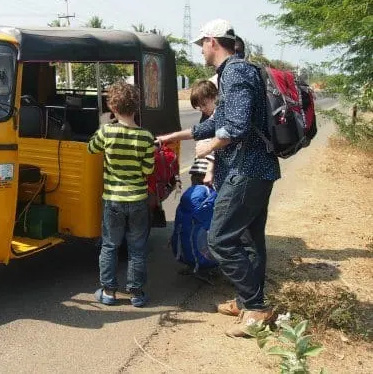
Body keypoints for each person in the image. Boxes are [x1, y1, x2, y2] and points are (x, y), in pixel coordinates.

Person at [157, 18, 281, 337]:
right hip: (255, 170)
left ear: (213, 41)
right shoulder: (233, 73)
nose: (200, 50)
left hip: (246, 171)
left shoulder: (236, 72)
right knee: (249, 239)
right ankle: (247, 299)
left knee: (220, 238)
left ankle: (256, 308)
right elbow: (217, 121)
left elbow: (235, 126)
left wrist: (207, 148)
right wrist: (179, 134)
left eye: (202, 44)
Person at [88, 81, 155, 308]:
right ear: (136, 107)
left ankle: (108, 292)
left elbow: (91, 148)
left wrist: (101, 126)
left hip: (113, 199)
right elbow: (148, 170)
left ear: (113, 108)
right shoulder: (146, 136)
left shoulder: (107, 132)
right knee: (137, 248)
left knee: (110, 245)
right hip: (137, 199)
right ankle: (136, 293)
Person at [188, 80, 217, 186]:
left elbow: (216, 146)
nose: (201, 109)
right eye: (199, 106)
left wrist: (210, 171)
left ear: (214, 97)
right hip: (199, 170)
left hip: (209, 173)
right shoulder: (206, 117)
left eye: (204, 104)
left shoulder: (218, 116)